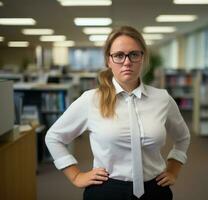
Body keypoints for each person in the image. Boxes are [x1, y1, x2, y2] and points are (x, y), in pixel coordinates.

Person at [45, 26, 190, 200]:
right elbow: (54, 137)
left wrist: (174, 169)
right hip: (106, 190)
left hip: (155, 189)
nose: (127, 62)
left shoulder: (162, 98)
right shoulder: (91, 100)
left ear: (142, 58)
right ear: (109, 60)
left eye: (134, 54)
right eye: (119, 55)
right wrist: (76, 175)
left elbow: (183, 137)